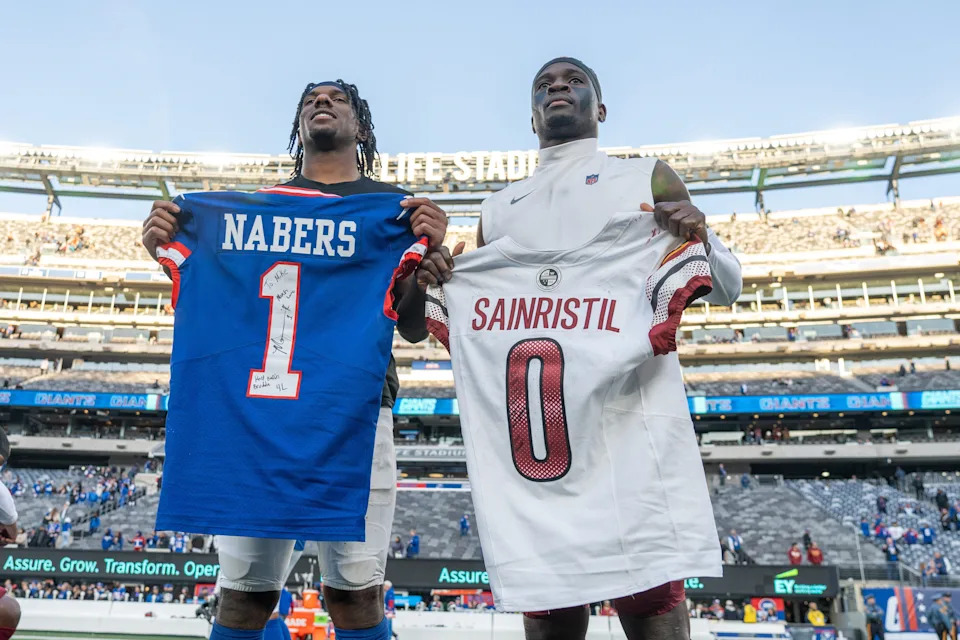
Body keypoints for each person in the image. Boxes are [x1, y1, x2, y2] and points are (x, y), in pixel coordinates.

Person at [420, 56, 741, 640]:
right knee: (549, 616)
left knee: (654, 609)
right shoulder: (498, 207)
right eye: (544, 84)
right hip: (540, 440)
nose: (558, 88)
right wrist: (445, 277)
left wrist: (705, 234)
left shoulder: (648, 175)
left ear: (601, 106)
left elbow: (728, 286)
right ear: (532, 114)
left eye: (573, 81)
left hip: (630, 432)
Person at [141, 79, 447, 640]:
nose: (321, 103)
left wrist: (427, 269)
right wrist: (166, 239)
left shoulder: (394, 208)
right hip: (256, 417)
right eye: (311, 100)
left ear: (361, 124)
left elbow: (410, 327)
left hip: (352, 413)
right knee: (242, 598)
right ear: (298, 124)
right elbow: (210, 283)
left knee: (354, 594)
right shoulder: (246, 210)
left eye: (336, 98)